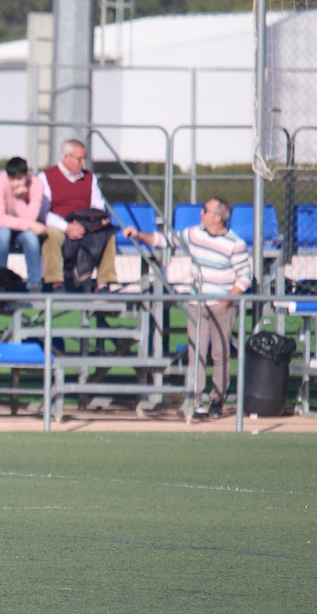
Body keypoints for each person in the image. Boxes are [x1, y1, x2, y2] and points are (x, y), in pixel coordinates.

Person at [124, 197, 250, 419]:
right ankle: (195, 399)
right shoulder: (194, 234)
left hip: (222, 306)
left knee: (220, 354)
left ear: (218, 217)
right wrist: (139, 234)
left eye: (205, 210)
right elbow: (165, 240)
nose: (201, 213)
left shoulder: (235, 243)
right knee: (196, 353)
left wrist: (227, 299)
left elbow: (245, 277)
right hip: (197, 304)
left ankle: (217, 400)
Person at [38, 139, 118, 291]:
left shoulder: (90, 178)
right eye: (79, 159)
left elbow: (98, 207)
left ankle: (104, 284)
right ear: (65, 157)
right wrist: (66, 227)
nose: (83, 163)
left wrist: (86, 225)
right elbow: (43, 214)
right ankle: (56, 282)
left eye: (84, 158)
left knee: (109, 235)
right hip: (60, 226)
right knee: (51, 234)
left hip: (86, 227)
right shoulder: (45, 177)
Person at [0, 156, 48, 293]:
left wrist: (18, 200)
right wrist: (29, 223)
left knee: (30, 236)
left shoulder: (37, 184)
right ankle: (0, 282)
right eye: (12, 179)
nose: (15, 183)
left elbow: (31, 218)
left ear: (27, 175)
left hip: (17, 228)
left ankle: (35, 283)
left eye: (19, 179)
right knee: (3, 233)